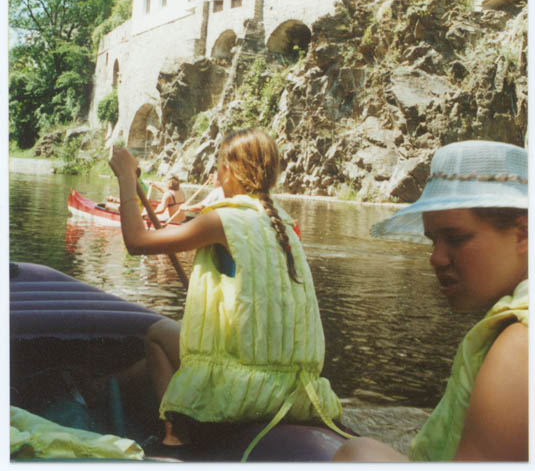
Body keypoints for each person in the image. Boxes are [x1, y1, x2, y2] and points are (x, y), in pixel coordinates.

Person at [109, 128, 349, 459]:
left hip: (249, 393)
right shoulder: (286, 225)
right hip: (297, 389)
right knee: (167, 348)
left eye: (219, 165)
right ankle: (106, 388)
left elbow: (136, 241)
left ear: (229, 170)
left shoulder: (221, 220)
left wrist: (126, 178)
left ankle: (175, 442)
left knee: (158, 335)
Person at [332, 139, 528, 463]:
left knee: (360, 455)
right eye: (433, 241)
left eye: (456, 238)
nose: (435, 258)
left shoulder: (519, 347)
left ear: (522, 234)